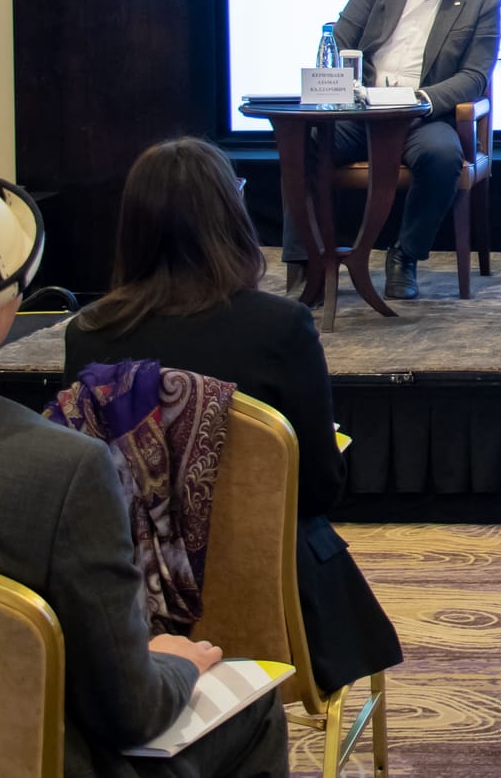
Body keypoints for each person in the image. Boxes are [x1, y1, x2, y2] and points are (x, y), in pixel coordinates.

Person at [0, 139, 286, 777]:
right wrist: (176, 663)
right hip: (19, 758)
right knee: (256, 710)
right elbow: (130, 711)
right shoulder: (63, 469)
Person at [67, 137, 403, 693]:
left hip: (132, 605)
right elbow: (319, 490)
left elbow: (91, 480)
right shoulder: (280, 327)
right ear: (230, 215)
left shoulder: (87, 334)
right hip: (270, 596)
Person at [280, 0, 501, 299]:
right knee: (303, 143)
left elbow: (474, 76)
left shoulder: (481, 1)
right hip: (360, 114)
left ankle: (405, 255)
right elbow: (339, 45)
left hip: (424, 117)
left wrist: (420, 99)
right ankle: (306, 260)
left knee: (442, 157)